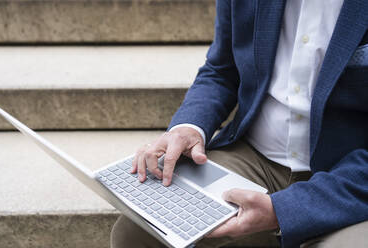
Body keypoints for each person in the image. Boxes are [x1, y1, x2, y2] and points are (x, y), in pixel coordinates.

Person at [111, 0, 368, 247]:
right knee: (138, 232)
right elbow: (222, 69)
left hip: (349, 175)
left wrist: (285, 211)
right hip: (257, 158)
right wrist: (188, 126)